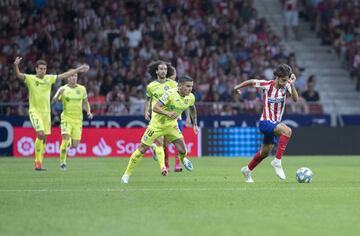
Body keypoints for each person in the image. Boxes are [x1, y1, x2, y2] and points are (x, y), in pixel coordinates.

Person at [13, 57, 89, 170]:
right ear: (36, 69)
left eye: (44, 69)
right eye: (40, 69)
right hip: (35, 112)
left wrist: (78, 69)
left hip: (46, 113)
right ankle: (37, 162)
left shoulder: (49, 78)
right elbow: (18, 75)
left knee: (44, 138)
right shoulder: (30, 79)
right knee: (40, 134)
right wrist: (15, 65)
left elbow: (64, 75)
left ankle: (39, 163)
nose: (43, 71)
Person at [121, 75, 199, 184]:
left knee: (183, 150)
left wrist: (194, 123)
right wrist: (168, 113)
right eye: (187, 86)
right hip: (156, 125)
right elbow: (155, 107)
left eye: (191, 86)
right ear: (180, 86)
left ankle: (183, 159)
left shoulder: (190, 97)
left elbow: (192, 107)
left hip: (171, 126)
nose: (190, 89)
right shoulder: (170, 94)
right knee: (142, 150)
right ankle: (126, 174)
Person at [234, 64, 299, 182]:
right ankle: (277, 162)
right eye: (283, 80)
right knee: (287, 130)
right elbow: (252, 82)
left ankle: (247, 170)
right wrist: (238, 86)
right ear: (277, 77)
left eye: (286, 80)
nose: (285, 83)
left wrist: (292, 84)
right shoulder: (267, 85)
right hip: (265, 122)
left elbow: (295, 99)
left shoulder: (287, 85)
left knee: (264, 153)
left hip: (275, 124)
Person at [52, 73, 93, 170]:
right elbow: (54, 101)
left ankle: (69, 141)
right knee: (65, 139)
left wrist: (88, 112)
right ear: (67, 78)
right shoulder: (63, 89)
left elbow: (86, 102)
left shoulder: (82, 89)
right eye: (71, 76)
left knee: (74, 145)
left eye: (75, 76)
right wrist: (58, 94)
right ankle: (62, 162)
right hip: (66, 118)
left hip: (78, 120)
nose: (73, 78)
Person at [144, 60, 178, 175]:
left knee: (166, 143)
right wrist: (146, 111)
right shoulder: (151, 86)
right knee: (160, 141)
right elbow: (148, 100)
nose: (163, 71)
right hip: (156, 117)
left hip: (169, 118)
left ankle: (154, 148)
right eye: (161, 69)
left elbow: (179, 97)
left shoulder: (173, 84)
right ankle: (163, 168)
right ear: (157, 71)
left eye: (165, 69)